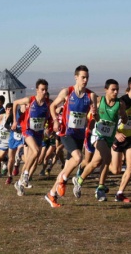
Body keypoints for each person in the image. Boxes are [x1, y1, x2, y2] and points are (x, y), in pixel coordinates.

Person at [44, 65, 97, 208]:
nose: (85, 80)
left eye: (87, 77)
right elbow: (52, 107)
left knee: (67, 167)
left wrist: (94, 113)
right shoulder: (68, 92)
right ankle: (64, 180)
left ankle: (51, 195)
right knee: (78, 158)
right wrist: (55, 120)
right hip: (66, 133)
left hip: (80, 135)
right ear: (76, 77)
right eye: (83, 77)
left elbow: (94, 117)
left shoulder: (91, 96)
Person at [71, 79, 127, 202]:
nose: (116, 92)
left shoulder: (120, 104)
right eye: (113, 89)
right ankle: (100, 188)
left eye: (117, 89)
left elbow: (125, 119)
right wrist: (92, 114)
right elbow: (93, 115)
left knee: (95, 162)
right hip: (98, 135)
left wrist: (123, 117)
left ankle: (79, 181)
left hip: (110, 137)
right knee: (107, 158)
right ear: (106, 90)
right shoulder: (98, 100)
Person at [106, 75, 131, 202]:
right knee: (116, 170)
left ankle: (120, 193)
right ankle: (103, 164)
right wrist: (116, 133)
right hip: (117, 137)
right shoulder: (121, 101)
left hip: (130, 137)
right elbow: (110, 119)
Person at [13, 79, 52, 196]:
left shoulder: (48, 103)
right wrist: (15, 121)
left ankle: (19, 183)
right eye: (42, 89)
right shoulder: (30, 100)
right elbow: (15, 103)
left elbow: (53, 113)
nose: (44, 92)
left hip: (39, 133)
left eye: (46, 90)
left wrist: (49, 127)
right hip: (27, 130)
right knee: (36, 151)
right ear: (37, 90)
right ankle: (25, 174)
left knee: (32, 158)